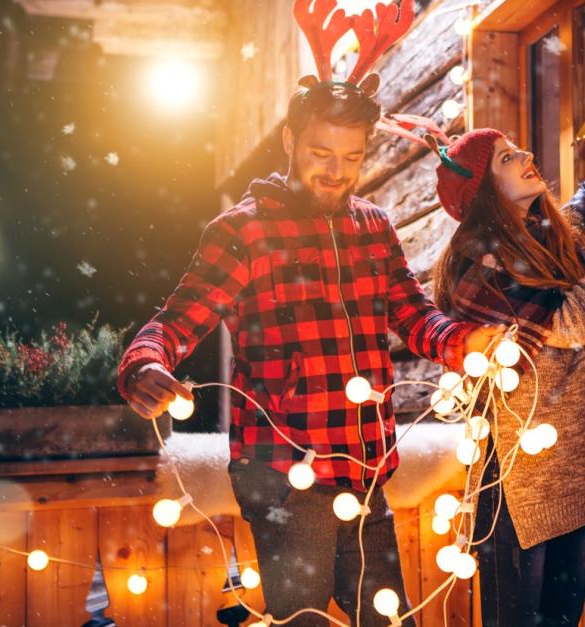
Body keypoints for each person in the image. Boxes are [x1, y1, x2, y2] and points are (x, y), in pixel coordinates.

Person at [116, 2, 502, 624]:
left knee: (384, 616)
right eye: (322, 153)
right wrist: (144, 364)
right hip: (281, 475)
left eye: (351, 159)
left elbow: (414, 316)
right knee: (302, 621)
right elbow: (174, 322)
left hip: (366, 465)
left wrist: (468, 343)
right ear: (292, 141)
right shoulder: (242, 233)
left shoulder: (373, 227)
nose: (336, 171)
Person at [427, 13, 585, 626]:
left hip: (578, 467)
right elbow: (575, 323)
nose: (526, 154)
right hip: (515, 487)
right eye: (507, 157)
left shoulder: (562, 233)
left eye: (517, 148)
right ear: (483, 191)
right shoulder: (481, 270)